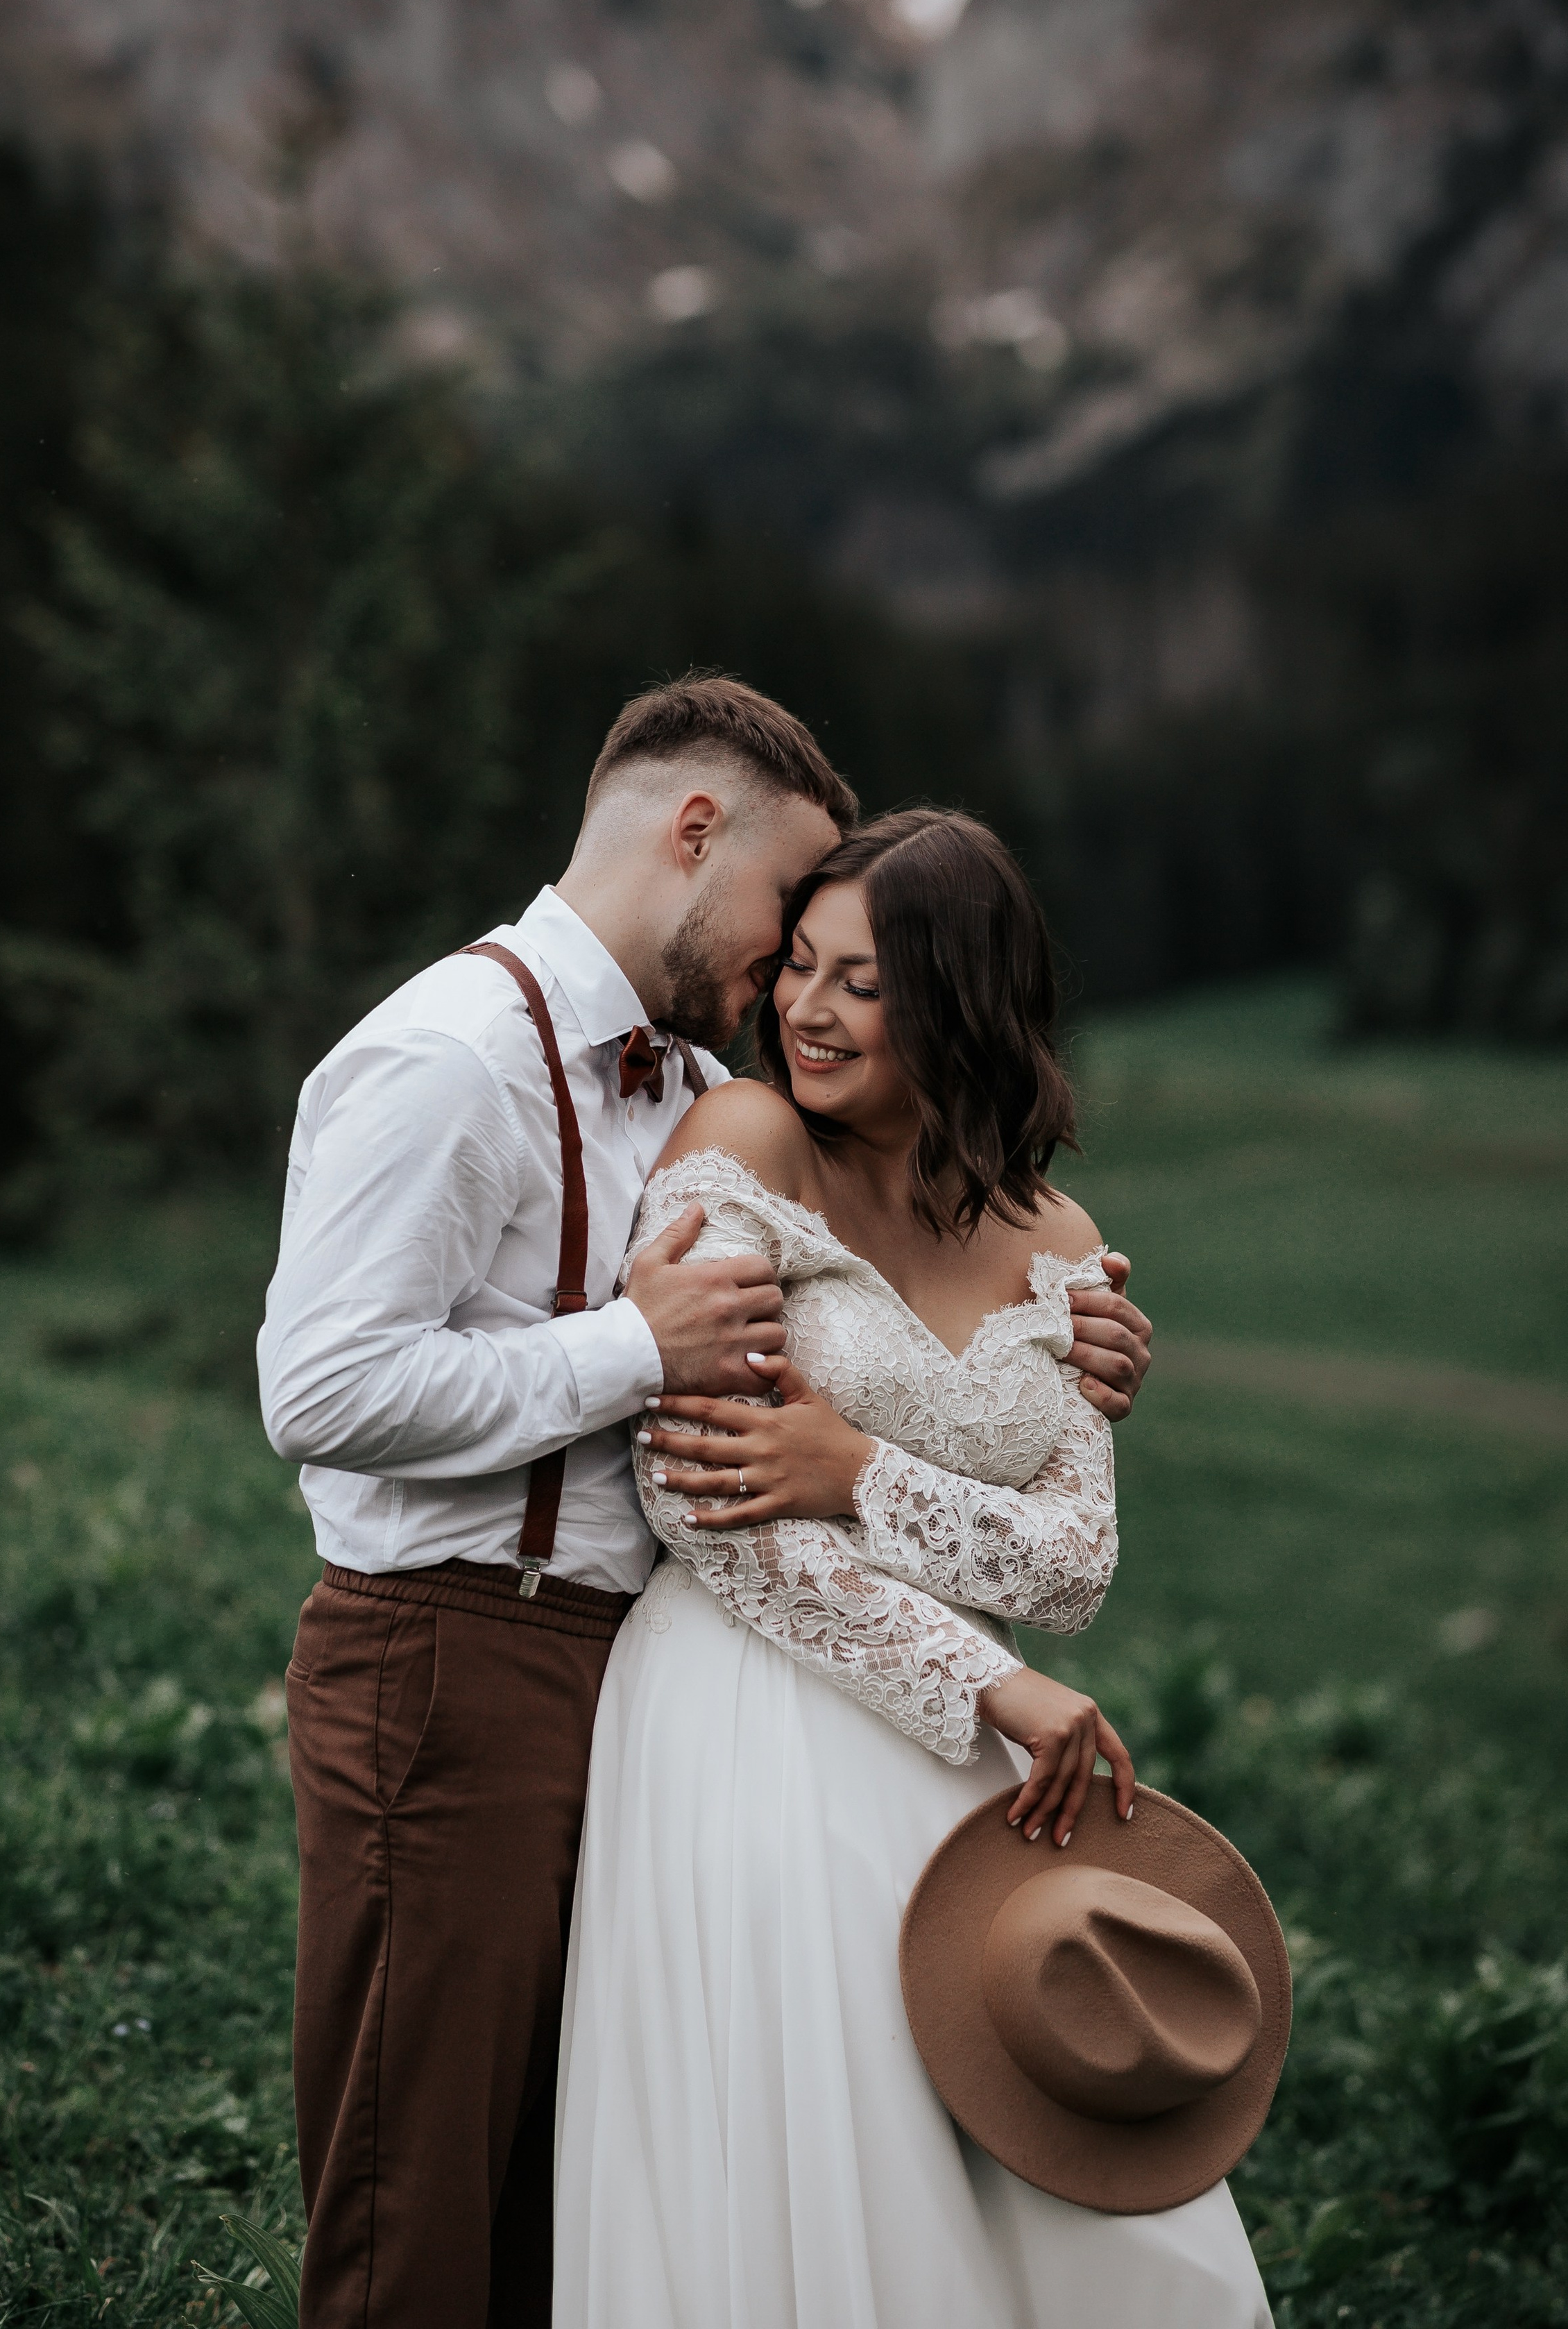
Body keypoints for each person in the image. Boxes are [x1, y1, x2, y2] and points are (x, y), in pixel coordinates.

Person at [259, 685, 1154, 2329]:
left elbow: (880, 1304)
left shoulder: (672, 1077)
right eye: (784, 931)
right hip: (452, 1653)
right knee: (417, 2195)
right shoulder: (449, 1054)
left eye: (849, 970)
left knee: (576, 2187)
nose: (786, 988)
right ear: (694, 837)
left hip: (622, 1677)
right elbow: (317, 1393)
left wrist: (1060, 1342)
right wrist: (629, 1347)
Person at [554, 807, 1268, 2328]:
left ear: (957, 998)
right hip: (751, 1706)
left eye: (860, 981)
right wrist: (989, 1675)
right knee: (827, 2110)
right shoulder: (745, 1146)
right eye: (796, 966)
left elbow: (1074, 1563)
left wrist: (855, 1466)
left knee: (1026, 2100)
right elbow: (703, 1509)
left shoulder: (1056, 1236)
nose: (803, 1011)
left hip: (967, 1749)